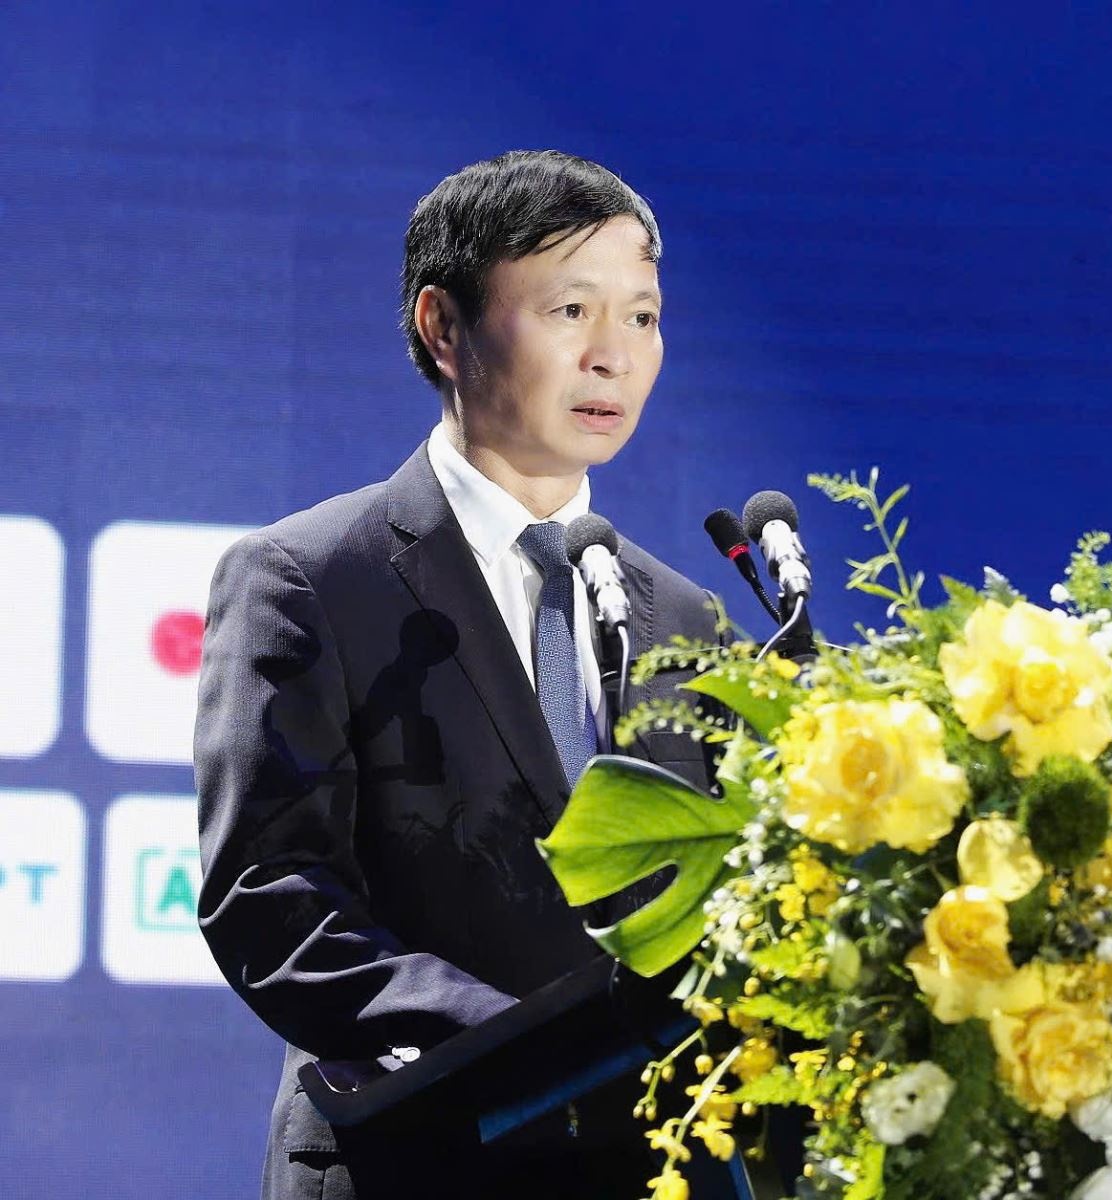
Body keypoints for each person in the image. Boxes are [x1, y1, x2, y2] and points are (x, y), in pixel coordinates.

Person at [195, 150, 731, 1199]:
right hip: (411, 1157)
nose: (613, 356)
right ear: (444, 328)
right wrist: (524, 1051)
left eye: (642, 317)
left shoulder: (682, 620)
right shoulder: (312, 577)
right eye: (571, 309)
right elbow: (271, 893)